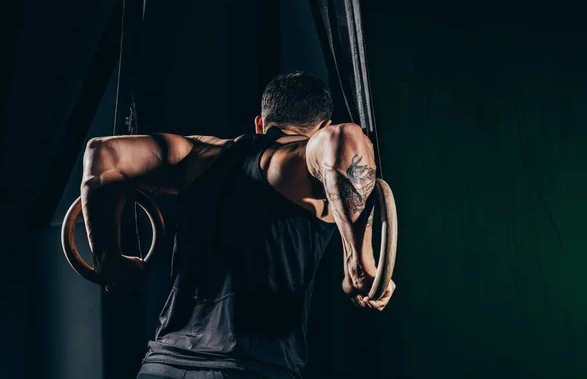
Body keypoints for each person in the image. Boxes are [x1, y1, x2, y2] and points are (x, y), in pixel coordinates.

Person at [81, 71, 396, 379]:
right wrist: (359, 261)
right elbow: (346, 139)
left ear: (260, 123)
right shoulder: (295, 163)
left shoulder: (198, 156)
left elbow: (102, 153)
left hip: (163, 365)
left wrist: (109, 258)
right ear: (321, 127)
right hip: (249, 368)